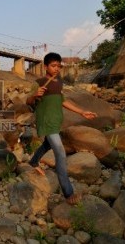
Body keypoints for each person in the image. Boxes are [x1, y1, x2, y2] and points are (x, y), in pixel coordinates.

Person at [26, 52, 97, 205]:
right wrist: (34, 95)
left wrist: (82, 112)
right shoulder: (38, 82)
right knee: (60, 153)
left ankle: (33, 161)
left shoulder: (58, 82)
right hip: (46, 121)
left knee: (47, 143)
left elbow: (63, 100)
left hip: (56, 120)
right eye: (53, 66)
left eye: (59, 66)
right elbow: (28, 101)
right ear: (45, 66)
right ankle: (68, 192)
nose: (57, 68)